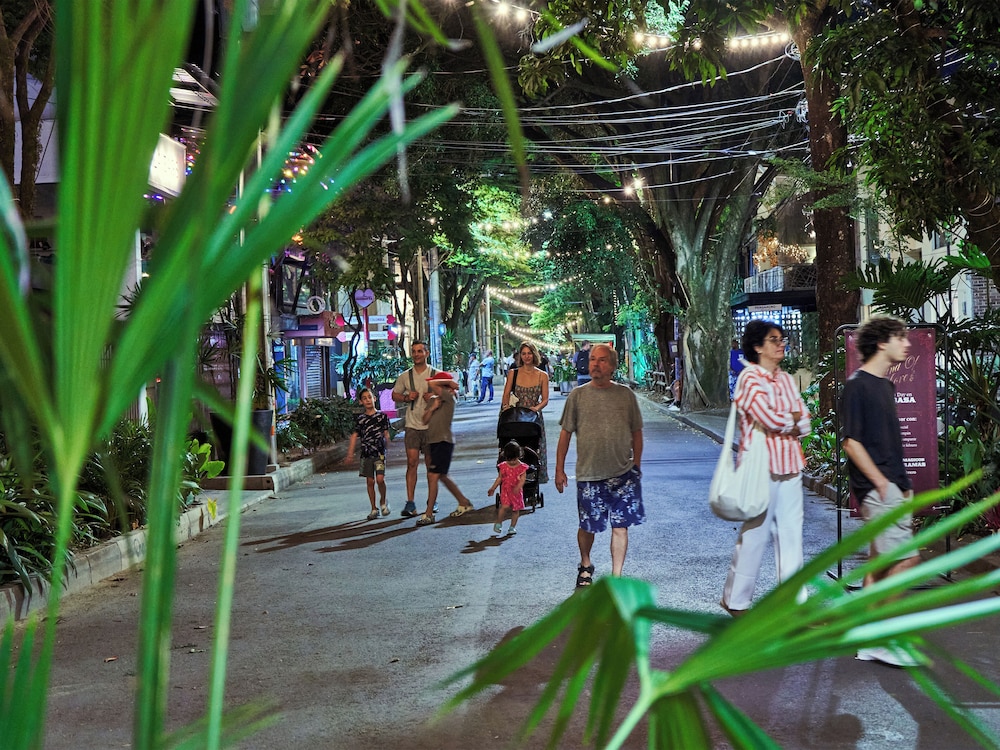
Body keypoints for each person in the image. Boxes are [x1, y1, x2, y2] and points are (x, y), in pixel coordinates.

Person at [842, 316, 920, 667]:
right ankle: (880, 638)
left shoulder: (885, 386)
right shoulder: (857, 386)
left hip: (892, 487)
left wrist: (904, 486)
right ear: (881, 343)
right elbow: (851, 442)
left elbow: (891, 445)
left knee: (877, 565)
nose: (907, 343)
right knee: (907, 560)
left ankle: (865, 638)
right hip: (878, 489)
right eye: (900, 337)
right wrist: (882, 483)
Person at [720, 320, 811, 617]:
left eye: (782, 339)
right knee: (755, 534)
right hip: (761, 467)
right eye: (774, 340)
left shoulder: (784, 379)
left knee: (792, 536)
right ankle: (736, 601)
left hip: (791, 465)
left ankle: (795, 605)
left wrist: (791, 420)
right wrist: (791, 419)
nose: (781, 344)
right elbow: (768, 418)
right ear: (758, 347)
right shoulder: (749, 378)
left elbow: (805, 421)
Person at [555, 343, 644, 588]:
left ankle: (617, 577)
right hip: (589, 474)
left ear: (613, 366)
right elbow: (565, 434)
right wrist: (559, 469)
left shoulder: (625, 395)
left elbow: (636, 432)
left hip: (623, 474)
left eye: (602, 360)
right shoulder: (578, 396)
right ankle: (586, 563)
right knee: (588, 526)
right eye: (593, 359)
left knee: (621, 526)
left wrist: (636, 464)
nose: (595, 364)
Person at [417, 371, 475, 526]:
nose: (433, 388)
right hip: (433, 441)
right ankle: (463, 502)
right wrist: (432, 408)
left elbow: (432, 383)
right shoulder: (434, 400)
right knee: (442, 476)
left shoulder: (449, 398)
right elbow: (424, 420)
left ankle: (429, 513)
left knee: (433, 476)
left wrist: (449, 383)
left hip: (443, 441)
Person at [391, 341, 440, 517]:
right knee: (411, 463)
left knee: (430, 465)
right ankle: (410, 502)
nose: (416, 354)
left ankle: (432, 501)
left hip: (431, 426)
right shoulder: (405, 376)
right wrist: (406, 398)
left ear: (427, 353)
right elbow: (394, 394)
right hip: (412, 425)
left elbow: (450, 395)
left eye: (420, 351)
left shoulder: (436, 374)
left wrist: (435, 396)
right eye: (414, 351)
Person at [500, 340, 550, 483]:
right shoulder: (513, 373)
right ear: (520, 356)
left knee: (533, 446)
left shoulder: (542, 375)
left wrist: (536, 408)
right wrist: (506, 407)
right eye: (524, 354)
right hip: (515, 415)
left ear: (534, 355)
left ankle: (533, 472)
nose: (527, 356)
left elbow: (545, 399)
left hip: (532, 416)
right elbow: (506, 394)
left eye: (529, 353)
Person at [345, 387, 390, 520]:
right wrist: (350, 454)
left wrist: (387, 445)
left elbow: (386, 433)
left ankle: (383, 501)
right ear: (361, 402)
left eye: (369, 397)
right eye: (364, 398)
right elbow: (354, 436)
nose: (368, 400)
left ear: (374, 398)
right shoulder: (360, 419)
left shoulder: (382, 416)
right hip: (366, 454)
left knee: (380, 479)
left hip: (379, 453)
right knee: (370, 481)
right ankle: (373, 508)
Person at [487, 440, 527, 536]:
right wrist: (493, 488)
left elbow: (523, 479)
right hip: (506, 490)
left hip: (516, 492)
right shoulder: (503, 466)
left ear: (518, 456)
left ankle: (512, 527)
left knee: (515, 510)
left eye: (514, 459)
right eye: (509, 460)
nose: (512, 462)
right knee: (504, 506)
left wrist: (518, 486)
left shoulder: (522, 467)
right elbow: (500, 478)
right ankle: (498, 523)